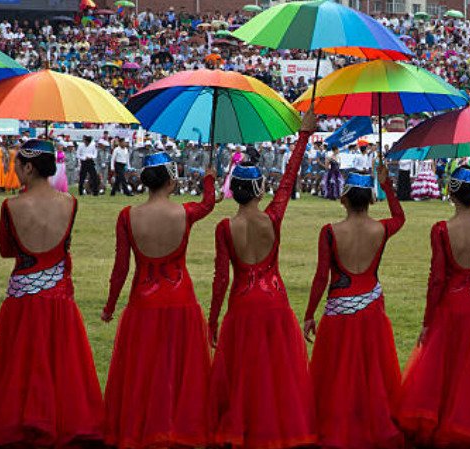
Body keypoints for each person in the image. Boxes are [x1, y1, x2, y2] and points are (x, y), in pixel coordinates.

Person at [0, 139, 104, 448]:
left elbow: (6, 251)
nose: (13, 171)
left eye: (16, 165)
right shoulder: (71, 202)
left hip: (23, 296)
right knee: (61, 362)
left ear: (29, 167)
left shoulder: (11, 206)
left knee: (18, 361)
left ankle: (21, 418)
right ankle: (61, 418)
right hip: (59, 294)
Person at [208, 109, 318, 449]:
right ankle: (276, 426)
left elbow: (220, 280)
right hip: (274, 301)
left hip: (242, 303)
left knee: (244, 371)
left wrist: (212, 321)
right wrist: (303, 136)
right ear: (259, 190)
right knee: (276, 371)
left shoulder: (225, 227)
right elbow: (289, 179)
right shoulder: (273, 217)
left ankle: (243, 426)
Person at [101, 152, 215, 449]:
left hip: (143, 300)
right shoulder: (184, 212)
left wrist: (110, 306)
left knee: (144, 369)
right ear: (171, 180)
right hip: (180, 298)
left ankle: (144, 426)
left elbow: (121, 268)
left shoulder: (128, 216)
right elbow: (208, 204)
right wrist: (209, 178)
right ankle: (178, 426)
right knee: (180, 369)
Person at [396, 166, 470, 448]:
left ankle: (446, 418)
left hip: (451, 304)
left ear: (451, 192)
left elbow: (436, 279)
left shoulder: (443, 230)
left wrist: (426, 321)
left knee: (447, 367)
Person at [303, 167, 405, 449]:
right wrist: (389, 186)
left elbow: (321, 277)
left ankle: (339, 421)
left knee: (338, 371)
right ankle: (369, 419)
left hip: (339, 309)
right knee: (371, 370)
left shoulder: (330, 232)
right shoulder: (381, 229)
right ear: (371, 199)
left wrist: (310, 314)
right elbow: (400, 218)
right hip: (371, 306)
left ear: (343, 199)